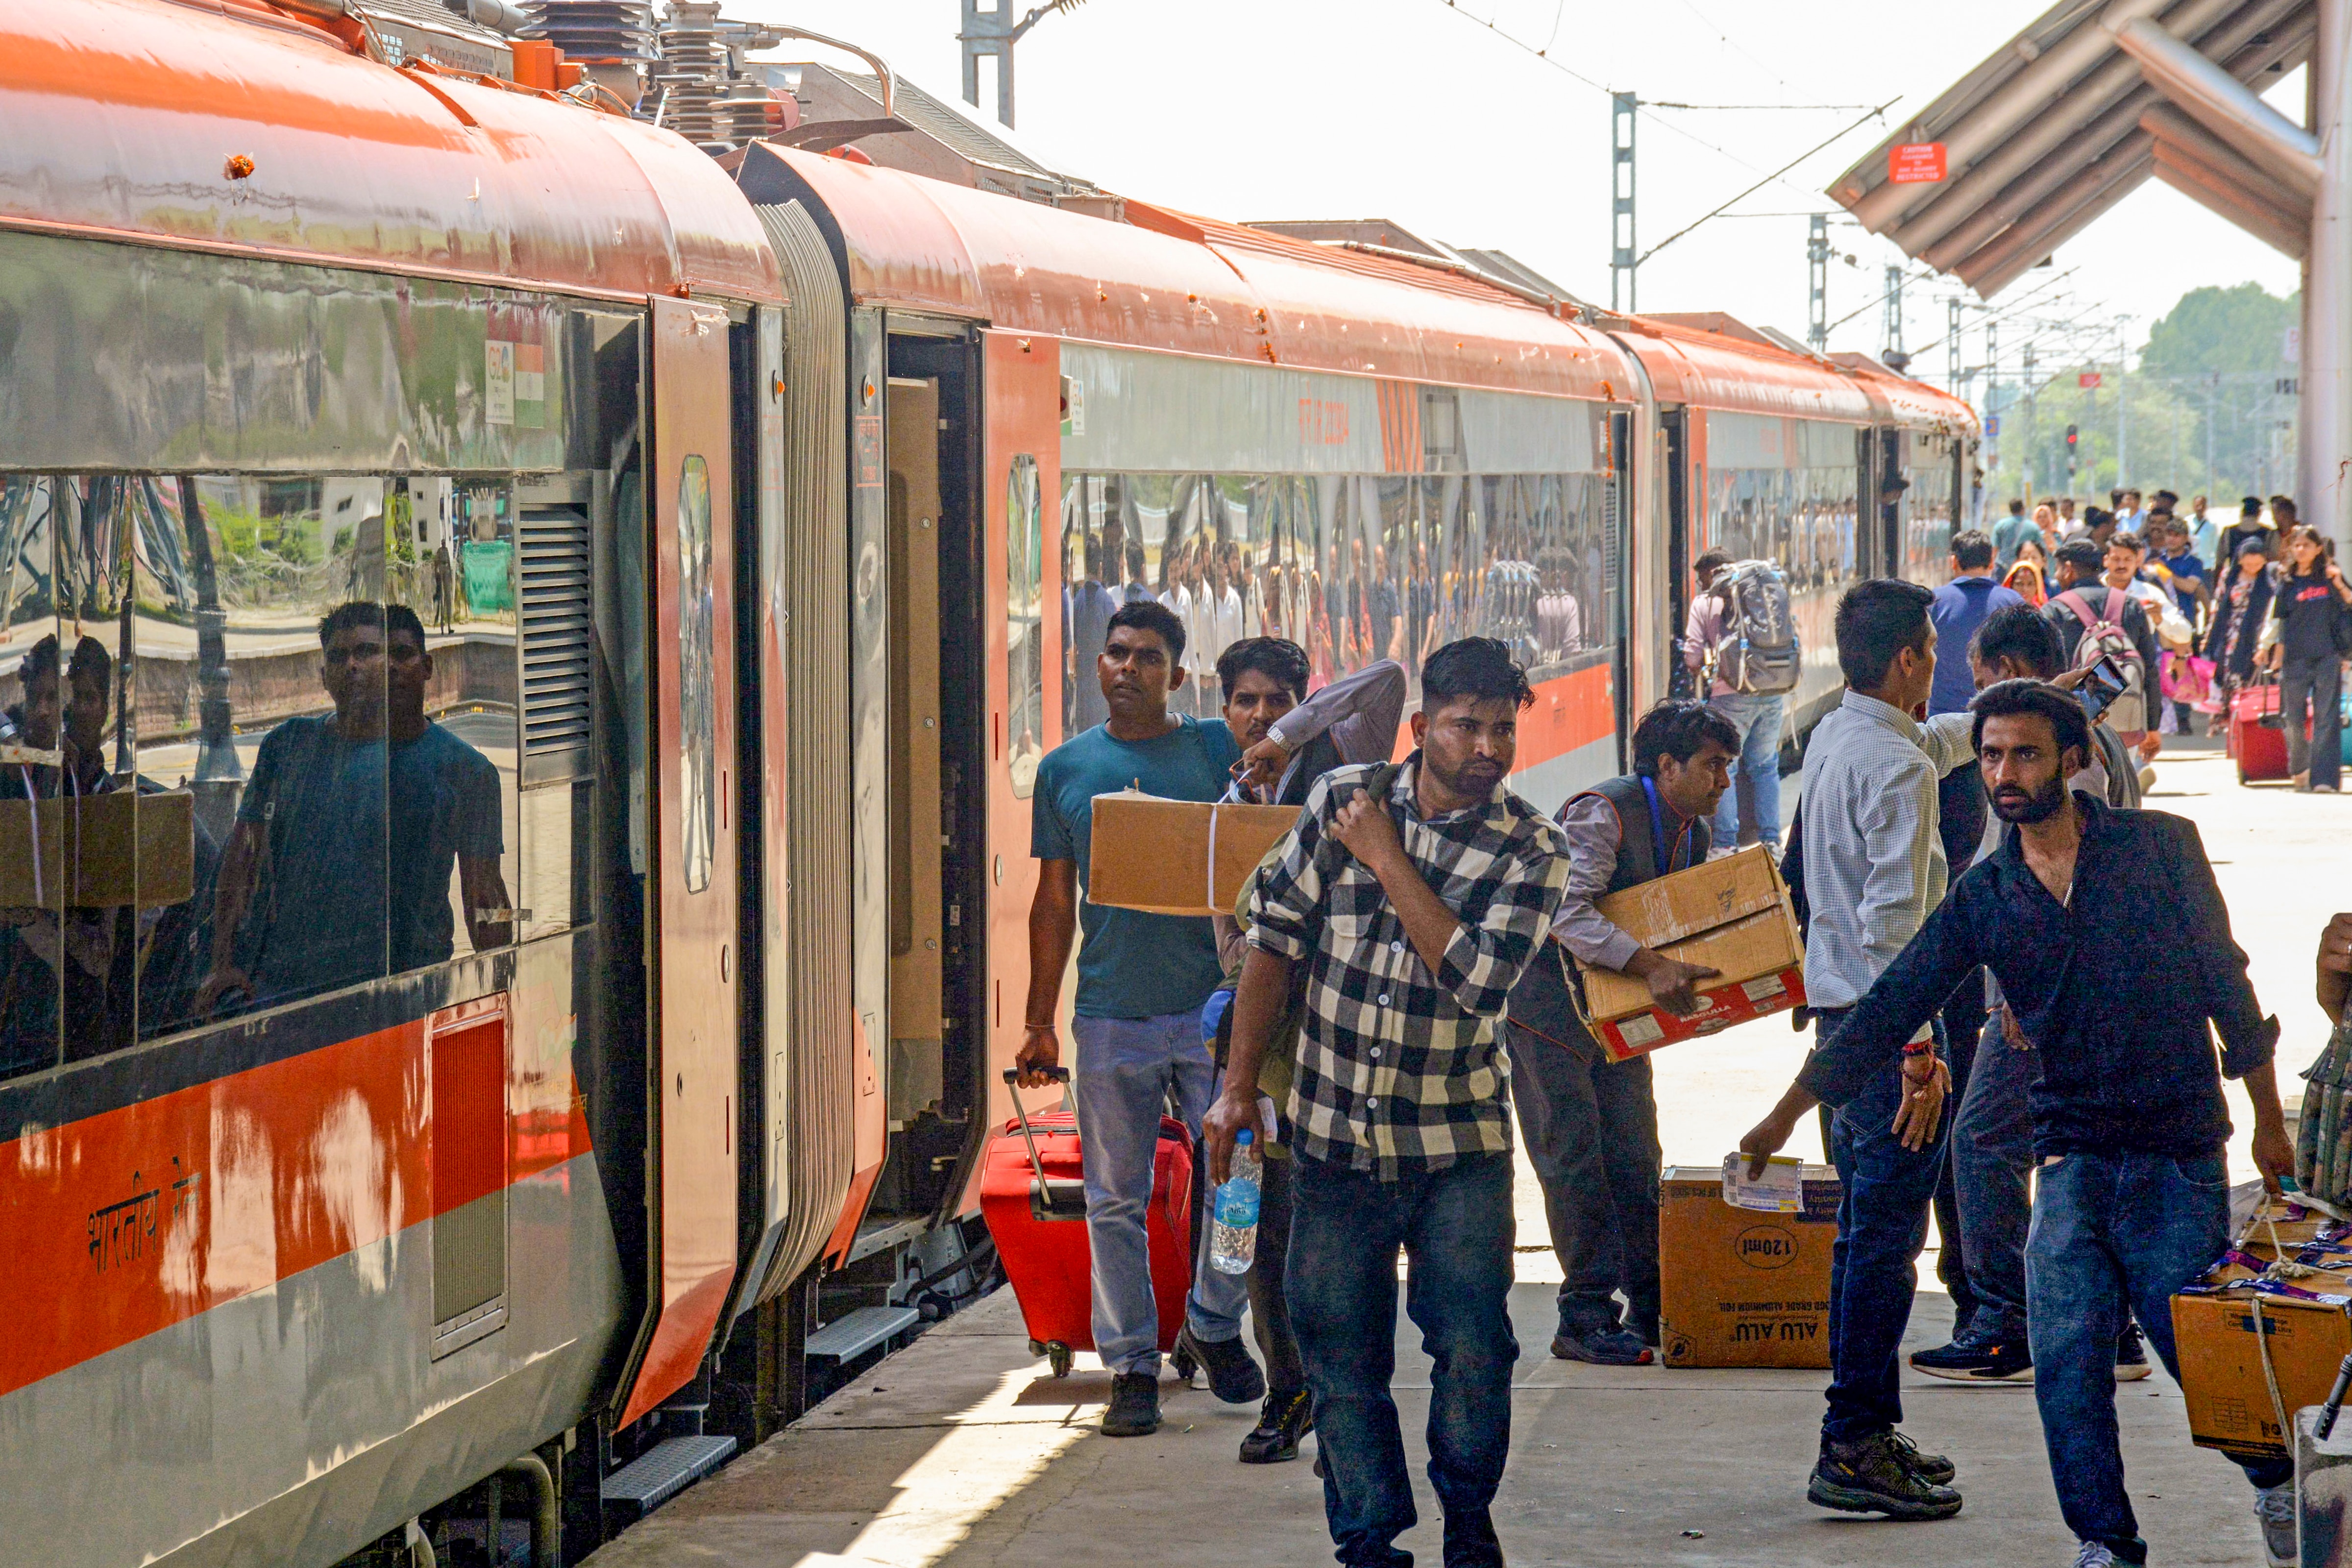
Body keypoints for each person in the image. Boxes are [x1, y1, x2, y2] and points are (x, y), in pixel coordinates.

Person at [1740, 678, 2294, 1568]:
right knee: (2068, 1367)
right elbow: (1891, 1006)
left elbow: (2226, 983)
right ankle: (2105, 1543)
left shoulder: (2161, 849)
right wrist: (1780, 1118)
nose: (2004, 772)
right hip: (2069, 1152)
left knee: (2201, 1359)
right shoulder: (1987, 894)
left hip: (2177, 1149)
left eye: (2025, 753)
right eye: (1992, 754)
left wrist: (2269, 1122)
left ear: (2073, 762)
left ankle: (2277, 1482)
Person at [1205, 638, 1571, 1568]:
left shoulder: (1534, 850)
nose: (1488, 746)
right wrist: (1237, 1088)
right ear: (1422, 727)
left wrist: (1382, 855)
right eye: (1466, 725)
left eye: (1503, 728)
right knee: (1339, 1357)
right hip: (1334, 1140)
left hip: (1459, 1148)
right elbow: (1275, 944)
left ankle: (1468, 1517)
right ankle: (1368, 1538)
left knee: (1475, 1347)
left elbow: (1479, 980)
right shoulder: (1340, 798)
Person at [1017, 600, 1260, 1439]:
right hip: (1111, 1015)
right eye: (1116, 654)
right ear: (1098, 666)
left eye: (1148, 658)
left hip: (1212, 1013)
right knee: (1114, 1200)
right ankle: (1129, 1369)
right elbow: (1053, 901)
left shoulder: (1215, 751)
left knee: (1242, 1180)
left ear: (1178, 677)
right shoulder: (1066, 770)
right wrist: (1039, 1020)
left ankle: (1216, 1318)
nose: (1127, 668)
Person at [1784, 577, 1978, 1522]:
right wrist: (1919, 1055)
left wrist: (2025, 704)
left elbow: (1936, 742)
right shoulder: (1893, 769)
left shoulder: (1842, 735)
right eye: (1931, 656)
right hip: (1888, 1032)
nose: (1935, 670)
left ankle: (1865, 1425)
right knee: (1884, 1247)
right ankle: (1853, 1440)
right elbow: (1894, 929)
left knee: (1865, 1235)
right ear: (1908, 659)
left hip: (1840, 1028)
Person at [1906, 608, 2137, 1388]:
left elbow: (2055, 885)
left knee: (1981, 1144)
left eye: (1983, 683)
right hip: (2086, 993)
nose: (1998, 762)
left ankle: (2005, 1322)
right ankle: (2111, 1331)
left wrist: (2015, 990)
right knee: (2081, 1154)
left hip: (2048, 998)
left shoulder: (2059, 774)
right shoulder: (2087, 747)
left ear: (2008, 671)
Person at [1202, 637, 1406, 1466]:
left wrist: (1290, 734)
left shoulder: (1344, 761)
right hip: (1260, 1049)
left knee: (1345, 1234)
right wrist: (1257, 953)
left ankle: (1342, 1401)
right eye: (1244, 704)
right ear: (1222, 713)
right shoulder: (1223, 808)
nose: (1256, 717)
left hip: (1346, 1039)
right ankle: (1286, 1393)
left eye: (1274, 700)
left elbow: (1387, 680)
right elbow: (1224, 931)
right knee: (1255, 1231)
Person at [1505, 700, 1733, 1367]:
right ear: (1667, 766)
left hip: (1614, 1013)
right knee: (1574, 1157)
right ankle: (1584, 1315)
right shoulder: (1600, 813)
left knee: (1635, 1154)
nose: (1724, 780)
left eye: (1728, 767)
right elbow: (1563, 912)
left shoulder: (1691, 828)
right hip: (1547, 1011)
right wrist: (1650, 966)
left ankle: (1653, 1303)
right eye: (1713, 765)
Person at [198, 603, 508, 1017]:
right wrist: (221, 965)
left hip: (404, 1000)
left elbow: (485, 894)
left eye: (366, 652)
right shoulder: (287, 747)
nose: (353, 666)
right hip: (284, 994)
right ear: (324, 676)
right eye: (339, 657)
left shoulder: (468, 772)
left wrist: (506, 978)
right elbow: (241, 862)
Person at [1682, 549, 1785, 851]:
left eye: (1703, 580)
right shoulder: (1763, 594)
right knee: (1766, 767)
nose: (1703, 587)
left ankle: (1726, 844)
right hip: (1772, 691)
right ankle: (1771, 841)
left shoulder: (1705, 602)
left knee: (1726, 767)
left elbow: (1692, 657)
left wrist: (1705, 671)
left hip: (1731, 695)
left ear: (1712, 573)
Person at [2045, 538, 2161, 762]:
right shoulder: (2130, 605)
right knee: (2122, 792)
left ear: (2068, 569)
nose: (2057, 575)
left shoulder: (2055, 610)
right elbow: (2150, 669)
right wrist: (2153, 726)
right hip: (2125, 722)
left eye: (2058, 569)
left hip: (2074, 725)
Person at [2265, 524, 2352, 792]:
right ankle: (2300, 767)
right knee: (2292, 718)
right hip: (2295, 659)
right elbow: (2282, 624)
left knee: (2326, 718)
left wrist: (2338, 582)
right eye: (2297, 545)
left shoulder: (2329, 578)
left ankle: (2324, 779)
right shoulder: (2287, 582)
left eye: (2306, 545)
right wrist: (2275, 658)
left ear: (2318, 549)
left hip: (2327, 656)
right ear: (2291, 548)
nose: (2301, 550)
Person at [2207, 535, 2282, 700]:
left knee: (2252, 679)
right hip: (2230, 634)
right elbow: (2218, 606)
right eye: (2248, 564)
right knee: (2226, 676)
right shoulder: (2229, 576)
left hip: (2258, 636)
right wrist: (2209, 636)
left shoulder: (2270, 579)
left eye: (2258, 564)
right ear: (2240, 560)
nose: (2253, 568)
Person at [2219, 495, 2273, 567]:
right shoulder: (2269, 533)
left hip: (2235, 576)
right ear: (2259, 513)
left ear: (2242, 513)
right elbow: (2273, 560)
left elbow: (2220, 561)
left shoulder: (2229, 532)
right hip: (2261, 577)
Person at [2185, 494, 2223, 571]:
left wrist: (2215, 564)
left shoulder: (2212, 525)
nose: (2200, 508)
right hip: (2188, 564)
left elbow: (2215, 546)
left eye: (2202, 505)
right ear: (2193, 507)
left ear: (2206, 507)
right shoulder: (2187, 522)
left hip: (2206, 566)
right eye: (2197, 505)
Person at [1991, 499, 2032, 570]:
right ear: (2023, 509)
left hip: (2003, 567)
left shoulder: (2000, 525)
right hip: (2025, 567)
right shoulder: (2032, 527)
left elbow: (1994, 550)